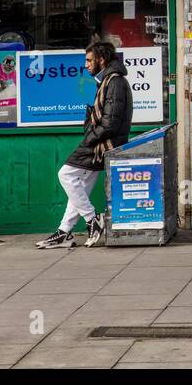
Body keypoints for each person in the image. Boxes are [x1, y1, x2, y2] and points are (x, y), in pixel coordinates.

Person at [36, 42, 133, 249]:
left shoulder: (114, 82)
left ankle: (92, 220)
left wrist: (89, 139)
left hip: (103, 143)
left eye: (89, 60)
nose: (86, 65)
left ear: (102, 60)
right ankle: (64, 233)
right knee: (80, 186)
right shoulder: (107, 80)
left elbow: (111, 122)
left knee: (66, 174)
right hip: (103, 141)